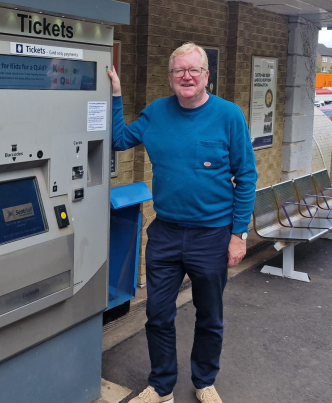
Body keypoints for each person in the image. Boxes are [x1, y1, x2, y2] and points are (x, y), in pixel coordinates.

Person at [106, 42, 258, 403]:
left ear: (207, 75)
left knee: (209, 316)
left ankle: (205, 381)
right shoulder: (157, 112)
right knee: (157, 315)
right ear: (171, 77)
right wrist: (116, 94)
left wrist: (238, 234)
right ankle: (161, 388)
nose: (186, 76)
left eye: (194, 70)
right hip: (166, 234)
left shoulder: (228, 115)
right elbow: (118, 139)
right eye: (179, 71)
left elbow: (247, 176)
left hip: (212, 235)